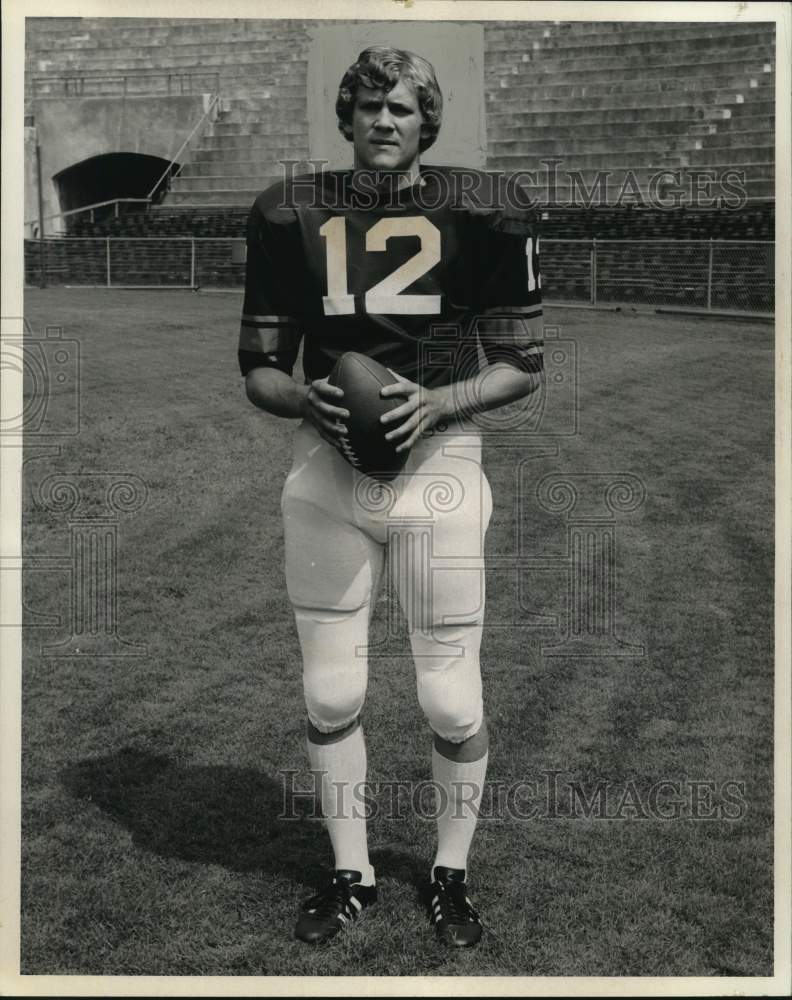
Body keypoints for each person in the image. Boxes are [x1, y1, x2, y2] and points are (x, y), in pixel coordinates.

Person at [239, 45, 543, 948]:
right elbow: (258, 369)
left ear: (427, 122)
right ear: (346, 117)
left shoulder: (483, 210)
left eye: (403, 108)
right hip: (327, 471)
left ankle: (450, 871)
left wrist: (438, 399)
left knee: (450, 700)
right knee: (331, 690)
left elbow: (522, 366)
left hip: (440, 467)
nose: (384, 121)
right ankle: (351, 870)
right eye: (369, 105)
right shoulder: (287, 211)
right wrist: (310, 396)